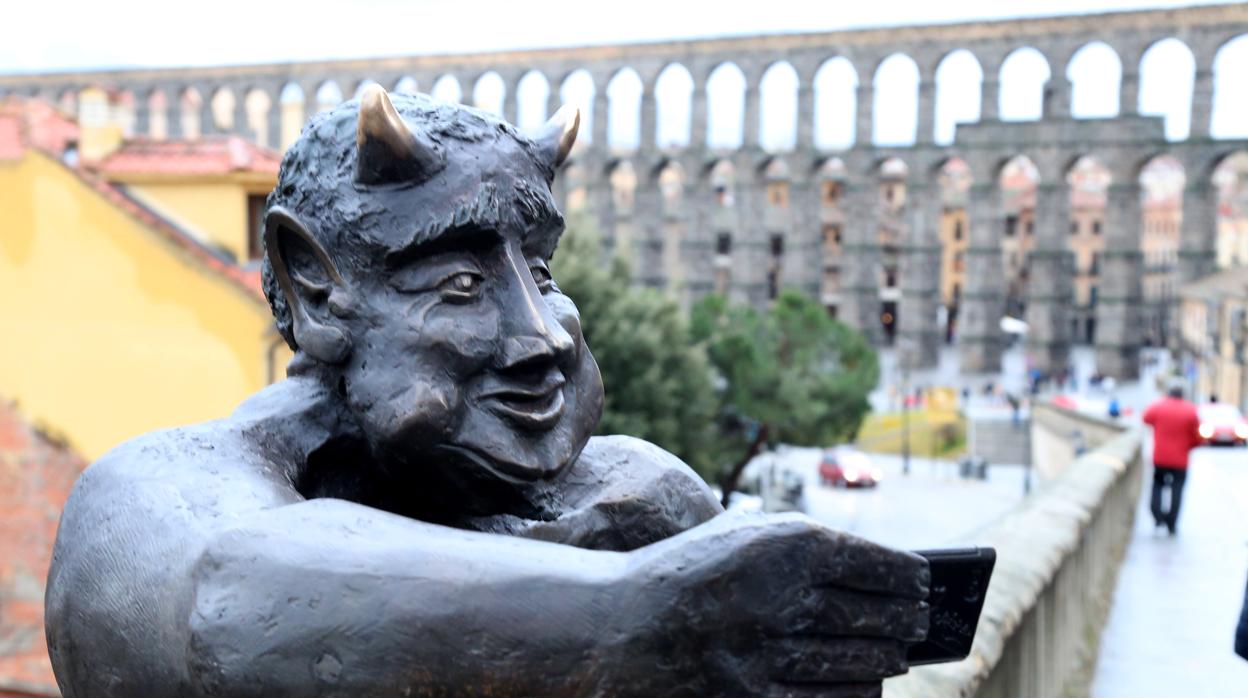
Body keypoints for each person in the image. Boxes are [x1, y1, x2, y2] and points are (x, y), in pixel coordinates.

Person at [44, 88, 929, 697]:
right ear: (316, 289)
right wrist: (646, 616)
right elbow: (231, 592)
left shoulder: (623, 493)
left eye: (540, 273)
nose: (543, 332)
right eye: (461, 283)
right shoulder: (161, 488)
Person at [1141, 384, 1202, 535]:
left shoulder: (1159, 406)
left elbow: (1146, 418)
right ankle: (1171, 522)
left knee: (1157, 486)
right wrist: (1189, 446)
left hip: (1160, 457)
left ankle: (1157, 516)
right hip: (1181, 460)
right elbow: (1198, 435)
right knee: (1177, 490)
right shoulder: (1190, 410)